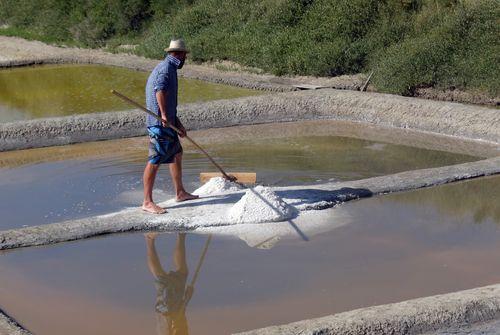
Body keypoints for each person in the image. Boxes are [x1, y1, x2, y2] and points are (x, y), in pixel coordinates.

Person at [142, 39, 199, 214]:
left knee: (176, 153)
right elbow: (159, 90)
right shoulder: (166, 68)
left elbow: (169, 100)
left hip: (168, 123)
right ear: (179, 54)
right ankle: (147, 202)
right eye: (185, 56)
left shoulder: (170, 68)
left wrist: (178, 123)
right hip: (159, 124)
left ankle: (180, 192)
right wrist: (164, 116)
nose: (185, 59)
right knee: (155, 160)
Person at [145, 232, 193, 335]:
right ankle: (181, 235)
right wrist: (186, 299)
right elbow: (180, 324)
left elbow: (174, 325)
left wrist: (186, 300)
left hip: (167, 311)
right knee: (182, 273)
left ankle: (149, 238)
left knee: (161, 278)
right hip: (174, 309)